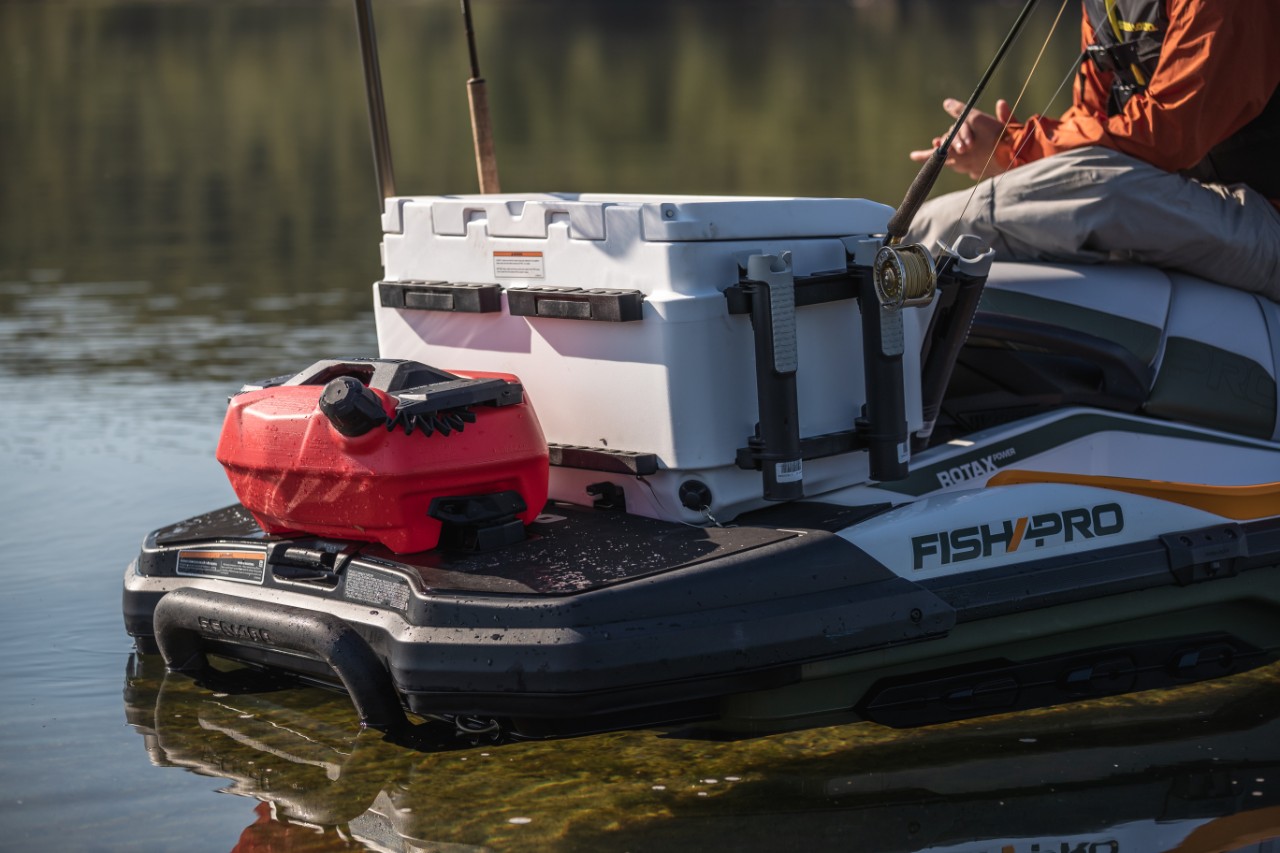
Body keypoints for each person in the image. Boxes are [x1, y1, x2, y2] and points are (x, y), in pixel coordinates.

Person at [906, 0, 1280, 302]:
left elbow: (1167, 136)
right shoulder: (1103, 5)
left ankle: (900, 251)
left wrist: (1017, 149)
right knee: (1089, 186)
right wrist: (1008, 149)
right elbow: (1089, 120)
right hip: (1197, 208)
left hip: (1266, 222)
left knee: (1104, 190)